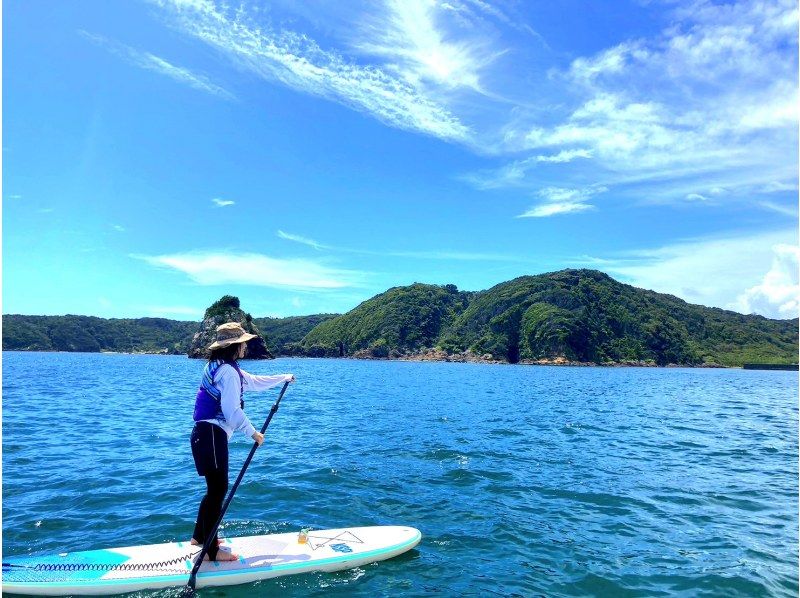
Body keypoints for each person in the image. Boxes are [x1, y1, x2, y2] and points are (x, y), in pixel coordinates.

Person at [190, 322, 295, 561]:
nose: (246, 346)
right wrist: (253, 433)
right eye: (243, 343)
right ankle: (211, 551)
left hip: (204, 435)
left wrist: (283, 378)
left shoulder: (221, 366)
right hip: (212, 436)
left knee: (214, 490)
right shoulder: (228, 371)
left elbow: (254, 382)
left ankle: (199, 537)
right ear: (234, 346)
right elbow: (231, 410)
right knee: (218, 491)